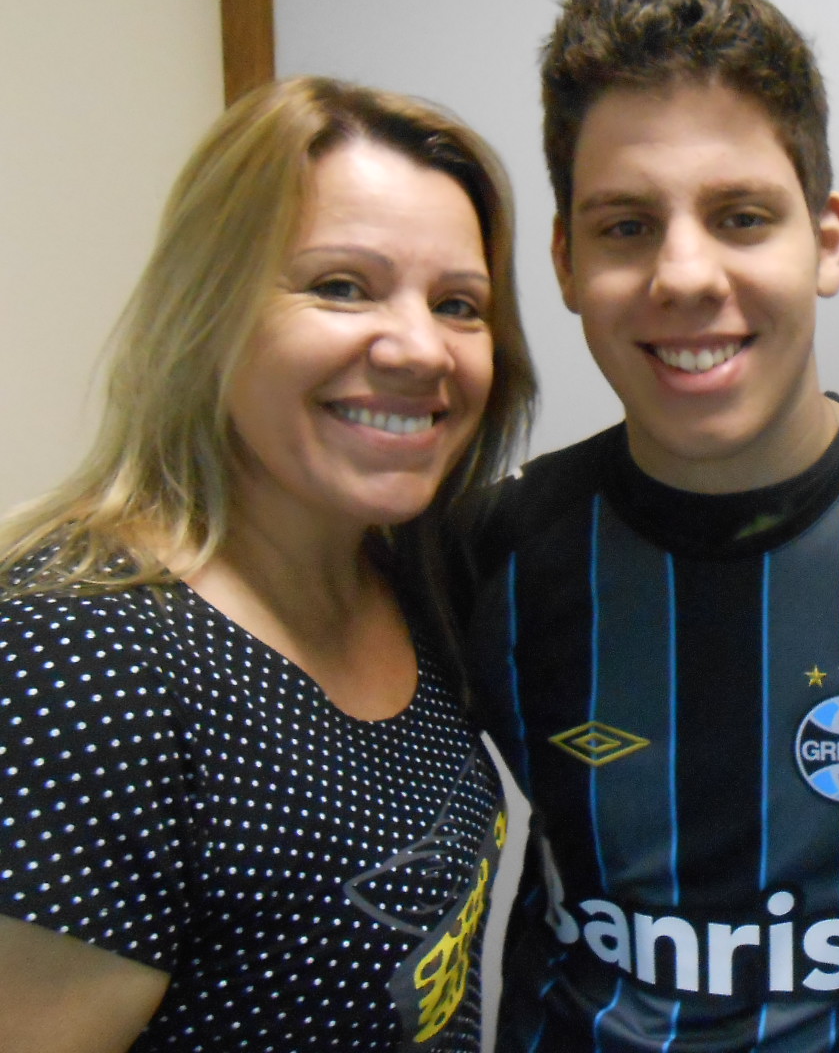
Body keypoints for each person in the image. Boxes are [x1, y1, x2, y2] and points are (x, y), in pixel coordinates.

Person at [458, 0, 839, 1051]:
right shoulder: (481, 551)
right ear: (565, 260)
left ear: (828, 239)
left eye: (741, 216)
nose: (683, 274)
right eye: (625, 227)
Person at [0, 76, 537, 1051]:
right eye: (340, 286)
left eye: (459, 304)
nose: (421, 347)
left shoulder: (420, 586)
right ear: (208, 310)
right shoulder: (79, 656)